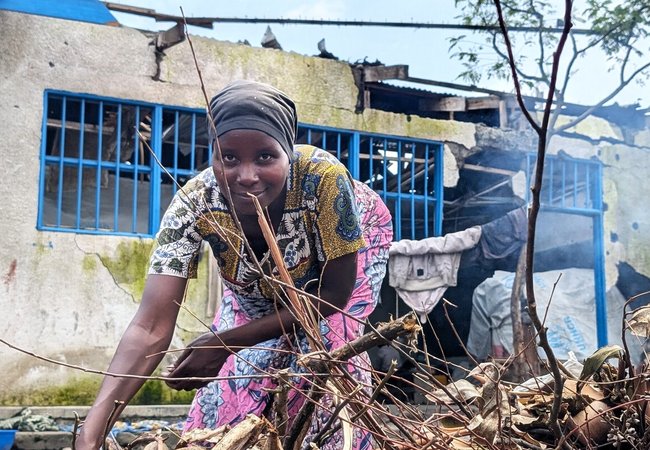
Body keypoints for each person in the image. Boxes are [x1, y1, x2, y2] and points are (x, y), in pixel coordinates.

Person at [76, 80, 393, 450]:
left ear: (287, 153)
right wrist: (94, 428)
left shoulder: (324, 180)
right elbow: (149, 325)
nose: (246, 176)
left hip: (343, 266)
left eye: (265, 157)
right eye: (228, 157)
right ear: (213, 156)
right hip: (255, 291)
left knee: (321, 354)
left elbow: (334, 296)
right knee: (227, 389)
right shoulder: (194, 205)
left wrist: (226, 343)